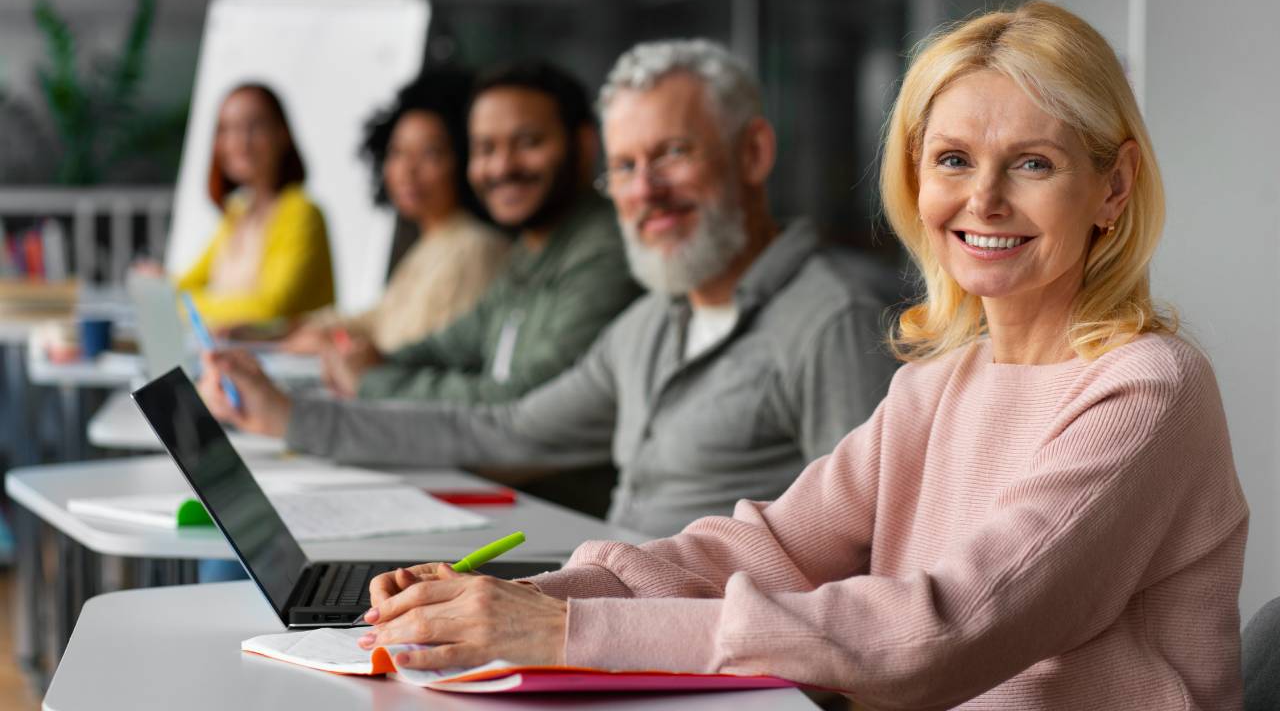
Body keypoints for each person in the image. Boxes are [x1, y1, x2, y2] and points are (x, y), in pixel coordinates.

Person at [345, 3, 1248, 709]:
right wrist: (533, 594)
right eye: (953, 160)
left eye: (1034, 164)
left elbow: (944, 634)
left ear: (1114, 186)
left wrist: (570, 630)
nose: (983, 200)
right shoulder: (937, 384)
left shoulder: (1146, 389)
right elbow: (766, 547)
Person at [198, 39, 901, 537]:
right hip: (612, 614)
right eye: (625, 167)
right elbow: (505, 428)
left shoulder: (832, 320)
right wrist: (290, 417)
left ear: (752, 154)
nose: (644, 191)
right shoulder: (658, 322)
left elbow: (861, 563)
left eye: (673, 154)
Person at [314, 61, 641, 403]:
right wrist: (372, 362)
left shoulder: (605, 251)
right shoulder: (531, 249)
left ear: (586, 145)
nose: (502, 167)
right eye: (485, 149)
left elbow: (532, 401)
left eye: (528, 142)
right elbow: (452, 344)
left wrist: (374, 381)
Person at [282, 70, 510, 356]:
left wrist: (335, 345)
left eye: (430, 153)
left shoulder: (474, 249)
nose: (408, 169)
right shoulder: (432, 243)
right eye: (397, 152)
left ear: (466, 158)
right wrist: (300, 330)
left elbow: (431, 360)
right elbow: (375, 319)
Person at [175, 83, 334, 332]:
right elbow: (185, 285)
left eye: (255, 126)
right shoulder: (238, 212)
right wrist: (157, 285)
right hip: (238, 359)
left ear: (282, 134)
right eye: (227, 129)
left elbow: (271, 308)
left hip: (289, 365)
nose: (240, 141)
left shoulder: (301, 213)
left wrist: (186, 307)